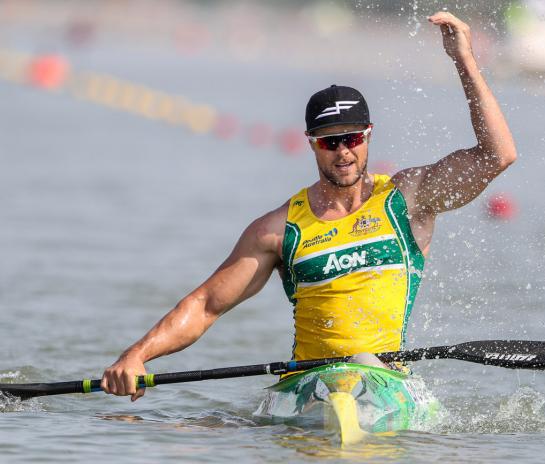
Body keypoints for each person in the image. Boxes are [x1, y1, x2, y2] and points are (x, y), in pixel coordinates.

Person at [101, 11, 516, 401]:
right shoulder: (278, 230)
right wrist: (137, 355)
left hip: (385, 383)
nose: (343, 153)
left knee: (365, 366)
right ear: (312, 144)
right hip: (308, 388)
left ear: (369, 136)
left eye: (352, 139)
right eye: (329, 142)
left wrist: (464, 60)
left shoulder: (408, 199)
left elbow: (497, 156)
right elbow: (206, 304)